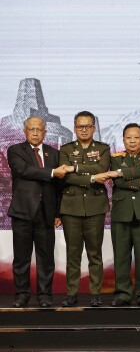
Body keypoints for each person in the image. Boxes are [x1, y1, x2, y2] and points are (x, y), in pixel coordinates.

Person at [7, 116, 69, 308]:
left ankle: (44, 295)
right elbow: (23, 170)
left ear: (45, 132)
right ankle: (22, 294)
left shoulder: (54, 153)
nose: (35, 133)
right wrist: (51, 172)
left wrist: (58, 213)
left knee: (46, 258)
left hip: (46, 213)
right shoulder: (15, 150)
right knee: (22, 258)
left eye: (39, 130)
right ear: (25, 132)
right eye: (31, 129)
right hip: (23, 212)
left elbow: (59, 186)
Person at [60, 111, 116, 307]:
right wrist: (91, 177)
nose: (84, 130)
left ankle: (95, 293)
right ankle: (71, 293)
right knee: (73, 253)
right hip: (71, 207)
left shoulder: (103, 148)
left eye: (88, 126)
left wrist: (75, 168)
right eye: (80, 127)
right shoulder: (65, 149)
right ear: (75, 128)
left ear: (94, 128)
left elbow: (102, 168)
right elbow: (65, 177)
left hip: (95, 205)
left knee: (95, 253)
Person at [110, 123, 140, 307]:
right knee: (121, 256)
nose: (132, 141)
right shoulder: (115, 157)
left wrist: (123, 173)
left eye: (136, 137)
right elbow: (117, 181)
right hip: (122, 212)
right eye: (128, 137)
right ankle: (122, 294)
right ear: (123, 140)